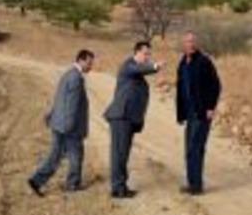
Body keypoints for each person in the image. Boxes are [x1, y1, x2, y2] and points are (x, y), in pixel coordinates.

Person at [28, 49, 94, 196]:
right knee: (75, 154)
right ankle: (72, 184)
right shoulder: (76, 78)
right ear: (81, 60)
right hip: (69, 127)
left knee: (56, 155)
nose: (91, 66)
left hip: (59, 123)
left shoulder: (68, 74)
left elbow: (59, 98)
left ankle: (37, 180)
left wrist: (52, 115)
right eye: (89, 63)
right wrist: (69, 126)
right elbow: (71, 105)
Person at [103, 41, 163, 198]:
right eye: (145, 53)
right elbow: (139, 69)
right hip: (121, 117)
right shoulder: (128, 66)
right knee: (119, 154)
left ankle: (121, 186)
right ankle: (117, 189)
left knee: (123, 154)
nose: (148, 57)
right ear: (136, 52)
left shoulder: (137, 72)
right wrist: (155, 66)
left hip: (128, 118)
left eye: (149, 54)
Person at [176, 31, 221, 195]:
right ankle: (191, 183)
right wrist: (180, 114)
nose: (191, 44)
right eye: (188, 41)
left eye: (193, 41)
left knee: (196, 148)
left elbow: (216, 85)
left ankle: (197, 186)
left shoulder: (204, 61)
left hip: (202, 113)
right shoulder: (183, 62)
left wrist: (211, 107)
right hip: (189, 113)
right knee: (189, 149)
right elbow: (181, 89)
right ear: (184, 43)